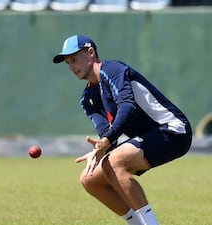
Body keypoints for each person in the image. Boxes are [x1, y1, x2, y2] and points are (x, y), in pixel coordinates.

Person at [52, 35, 192, 225]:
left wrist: (107, 142)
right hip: (148, 136)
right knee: (89, 178)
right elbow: (106, 132)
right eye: (68, 62)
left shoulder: (113, 70)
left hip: (173, 130)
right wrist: (99, 150)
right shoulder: (87, 99)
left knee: (114, 161)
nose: (70, 66)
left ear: (91, 53)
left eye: (74, 59)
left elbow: (127, 107)